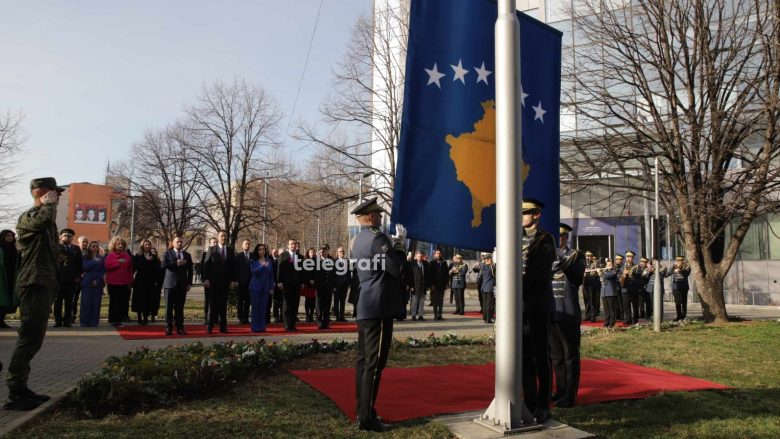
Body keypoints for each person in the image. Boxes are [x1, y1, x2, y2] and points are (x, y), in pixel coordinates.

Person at [5, 177, 64, 410]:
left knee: (34, 339)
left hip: (44, 283)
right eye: (54, 192)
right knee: (29, 338)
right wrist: (47, 204)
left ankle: (21, 388)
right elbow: (41, 221)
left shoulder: (46, 220)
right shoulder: (29, 217)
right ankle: (14, 392)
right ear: (40, 192)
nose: (58, 196)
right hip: (33, 283)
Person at [350, 197, 407, 432]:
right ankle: (367, 418)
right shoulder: (377, 238)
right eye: (378, 214)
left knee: (364, 362)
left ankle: (362, 410)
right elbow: (396, 269)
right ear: (371, 216)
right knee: (374, 364)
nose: (381, 217)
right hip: (379, 307)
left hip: (366, 305)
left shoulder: (358, 239)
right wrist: (400, 245)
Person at [520, 198, 556, 423]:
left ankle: (543, 404)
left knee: (540, 355)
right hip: (520, 306)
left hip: (537, 304)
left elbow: (539, 273)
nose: (521, 216)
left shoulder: (545, 239)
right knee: (523, 357)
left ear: (536, 215)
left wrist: (514, 288)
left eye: (526, 213)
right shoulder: (515, 237)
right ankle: (529, 401)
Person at [549, 223, 585, 408]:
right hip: (552, 313)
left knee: (570, 356)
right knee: (556, 356)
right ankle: (561, 390)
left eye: (562, 236)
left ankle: (570, 395)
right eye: (557, 237)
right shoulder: (547, 257)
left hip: (569, 313)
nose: (559, 240)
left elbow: (577, 278)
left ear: (566, 238)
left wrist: (562, 258)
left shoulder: (575, 256)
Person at [202, 231, 237, 334]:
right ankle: (210, 326)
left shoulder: (230, 251)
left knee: (223, 306)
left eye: (225, 236)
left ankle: (223, 327)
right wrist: (206, 279)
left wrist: (233, 281)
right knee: (212, 305)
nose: (224, 238)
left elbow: (233, 268)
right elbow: (206, 265)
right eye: (222, 236)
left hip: (225, 283)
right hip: (213, 282)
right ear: (218, 237)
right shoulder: (212, 249)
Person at [161, 236, 193, 335]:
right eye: (177, 242)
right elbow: (163, 266)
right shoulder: (167, 253)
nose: (179, 243)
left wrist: (189, 283)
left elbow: (190, 270)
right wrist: (176, 263)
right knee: (168, 308)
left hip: (182, 285)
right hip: (170, 284)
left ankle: (180, 327)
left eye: (181, 242)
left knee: (180, 307)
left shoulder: (187, 255)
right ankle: (168, 327)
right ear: (173, 243)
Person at [54, 228, 83, 327]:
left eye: (69, 236)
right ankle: (58, 321)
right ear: (61, 237)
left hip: (71, 280)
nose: (67, 237)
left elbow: (80, 264)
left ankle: (67, 321)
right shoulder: (56, 248)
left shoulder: (76, 249)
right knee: (58, 302)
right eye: (65, 235)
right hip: (58, 280)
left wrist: (78, 276)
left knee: (69, 302)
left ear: (72, 238)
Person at [104, 237, 134, 326]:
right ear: (114, 245)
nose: (120, 246)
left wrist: (130, 281)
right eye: (118, 244)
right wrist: (117, 262)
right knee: (114, 302)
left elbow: (130, 269)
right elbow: (107, 266)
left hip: (124, 282)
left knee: (122, 302)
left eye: (122, 244)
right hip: (113, 282)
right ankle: (112, 319)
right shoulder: (111, 255)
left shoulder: (127, 256)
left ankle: (119, 319)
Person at [132, 239, 162, 325]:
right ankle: (139, 317)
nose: (148, 246)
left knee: (148, 299)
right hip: (140, 281)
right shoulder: (138, 256)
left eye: (149, 244)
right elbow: (136, 267)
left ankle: (146, 317)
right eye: (146, 244)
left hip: (150, 282)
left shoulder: (153, 256)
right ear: (142, 246)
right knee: (139, 299)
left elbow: (157, 269)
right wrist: (146, 260)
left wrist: (156, 281)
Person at [277, 239, 304, 331]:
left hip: (296, 285)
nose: (293, 246)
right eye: (291, 244)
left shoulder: (300, 257)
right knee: (287, 305)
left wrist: (302, 282)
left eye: (295, 244)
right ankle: (287, 325)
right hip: (286, 284)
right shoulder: (283, 255)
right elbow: (279, 269)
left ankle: (292, 324)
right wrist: (279, 281)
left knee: (295, 305)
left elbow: (302, 271)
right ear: (288, 245)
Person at [248, 244, 275, 332]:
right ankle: (255, 327)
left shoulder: (269, 260)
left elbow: (271, 275)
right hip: (255, 287)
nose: (262, 251)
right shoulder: (253, 260)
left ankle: (262, 327)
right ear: (257, 251)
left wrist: (271, 287)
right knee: (255, 308)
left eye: (263, 249)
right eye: (260, 249)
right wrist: (263, 266)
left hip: (266, 287)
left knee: (263, 308)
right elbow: (253, 272)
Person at [79, 241, 105, 327]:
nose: (95, 248)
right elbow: (85, 267)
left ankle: (94, 322)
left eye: (96, 246)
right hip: (87, 280)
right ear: (89, 248)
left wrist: (97, 280)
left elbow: (102, 270)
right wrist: (95, 261)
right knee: (86, 302)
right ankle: (84, 322)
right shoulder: (85, 257)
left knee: (96, 302)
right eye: (93, 246)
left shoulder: (101, 258)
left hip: (98, 281)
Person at [0, 230, 20, 329]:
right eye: (8, 235)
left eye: (12, 236)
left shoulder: (14, 249)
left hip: (11, 276)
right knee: (2, 300)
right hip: (2, 277)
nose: (10, 237)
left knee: (7, 301)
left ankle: (1, 321)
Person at [315, 246, 335, 329]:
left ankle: (326, 323)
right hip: (320, 286)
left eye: (326, 251)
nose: (324, 252)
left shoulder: (331, 260)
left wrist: (334, 285)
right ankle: (319, 323)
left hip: (328, 286)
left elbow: (334, 274)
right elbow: (314, 272)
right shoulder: (317, 261)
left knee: (327, 305)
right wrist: (318, 257)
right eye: (323, 251)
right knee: (319, 305)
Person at [620, 250, 642, 325]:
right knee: (626, 306)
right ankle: (627, 320)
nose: (629, 258)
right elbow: (619, 278)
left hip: (634, 289)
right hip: (625, 289)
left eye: (630, 257)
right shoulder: (622, 267)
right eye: (627, 257)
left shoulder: (637, 267)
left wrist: (633, 274)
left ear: (633, 258)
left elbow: (639, 278)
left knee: (635, 306)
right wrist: (623, 274)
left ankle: (635, 320)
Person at [235, 239, 253, 325]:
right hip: (240, 283)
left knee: (248, 302)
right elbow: (235, 270)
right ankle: (240, 317)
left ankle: (246, 318)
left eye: (248, 244)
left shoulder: (253, 256)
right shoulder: (238, 256)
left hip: (250, 283)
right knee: (240, 301)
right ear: (242, 246)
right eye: (245, 244)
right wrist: (236, 281)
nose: (247, 245)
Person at [428, 249, 450, 320]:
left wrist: (447, 283)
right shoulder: (432, 263)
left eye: (439, 253)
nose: (438, 255)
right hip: (435, 285)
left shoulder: (444, 263)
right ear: (435, 254)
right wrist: (431, 284)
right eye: (437, 253)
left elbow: (447, 274)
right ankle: (435, 315)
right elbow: (430, 275)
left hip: (442, 285)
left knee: (441, 300)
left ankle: (440, 315)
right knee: (435, 300)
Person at [200, 236, 217, 324]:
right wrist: (204, 279)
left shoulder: (219, 253)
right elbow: (203, 267)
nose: (215, 244)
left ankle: (215, 318)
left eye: (216, 242)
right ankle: (207, 318)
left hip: (217, 281)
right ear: (210, 243)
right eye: (213, 242)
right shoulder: (205, 254)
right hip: (208, 281)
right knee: (208, 300)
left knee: (216, 300)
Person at [332, 246, 351, 322]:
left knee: (343, 301)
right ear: (337, 253)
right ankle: (337, 317)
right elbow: (333, 274)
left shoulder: (347, 261)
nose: (342, 253)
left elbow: (349, 272)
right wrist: (333, 285)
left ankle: (342, 316)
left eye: (343, 251)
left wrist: (349, 283)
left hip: (345, 284)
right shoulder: (334, 261)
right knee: (336, 301)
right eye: (340, 252)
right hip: (337, 285)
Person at [409, 251, 429, 321]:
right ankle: (413, 315)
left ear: (422, 257)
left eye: (421, 256)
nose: (420, 258)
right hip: (415, 286)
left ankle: (420, 315)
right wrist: (411, 285)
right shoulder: (412, 264)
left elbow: (428, 275)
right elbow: (410, 276)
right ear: (416, 256)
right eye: (418, 256)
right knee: (414, 302)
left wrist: (427, 286)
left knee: (422, 302)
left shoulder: (425, 264)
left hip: (423, 286)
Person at [582, 251, 602, 322]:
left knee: (592, 301)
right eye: (587, 256)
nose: (588, 257)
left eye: (590, 256)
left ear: (592, 257)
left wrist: (594, 272)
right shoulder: (583, 264)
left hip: (592, 284)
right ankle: (587, 315)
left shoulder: (595, 264)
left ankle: (593, 317)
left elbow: (599, 274)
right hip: (585, 284)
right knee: (586, 300)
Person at [600, 259, 620, 328]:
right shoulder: (604, 272)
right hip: (604, 293)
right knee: (606, 309)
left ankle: (612, 322)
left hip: (611, 293)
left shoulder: (614, 271)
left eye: (610, 264)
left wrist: (601, 272)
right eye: (608, 264)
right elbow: (601, 279)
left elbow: (608, 276)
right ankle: (607, 322)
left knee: (612, 309)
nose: (609, 265)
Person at [477, 253, 496, 323]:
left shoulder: (483, 266)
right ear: (489, 259)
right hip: (490, 288)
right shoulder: (491, 267)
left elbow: (481, 264)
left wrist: (484, 260)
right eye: (491, 259)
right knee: (489, 304)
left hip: (483, 287)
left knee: (484, 304)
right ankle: (488, 319)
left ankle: (485, 317)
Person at [671, 256, 691, 321]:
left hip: (683, 287)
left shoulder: (687, 267)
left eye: (680, 261)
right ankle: (678, 316)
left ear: (682, 261)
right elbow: (667, 274)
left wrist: (680, 269)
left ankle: (683, 316)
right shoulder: (674, 267)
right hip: (675, 287)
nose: (678, 262)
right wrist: (672, 268)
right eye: (677, 261)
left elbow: (686, 274)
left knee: (683, 302)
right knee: (677, 302)